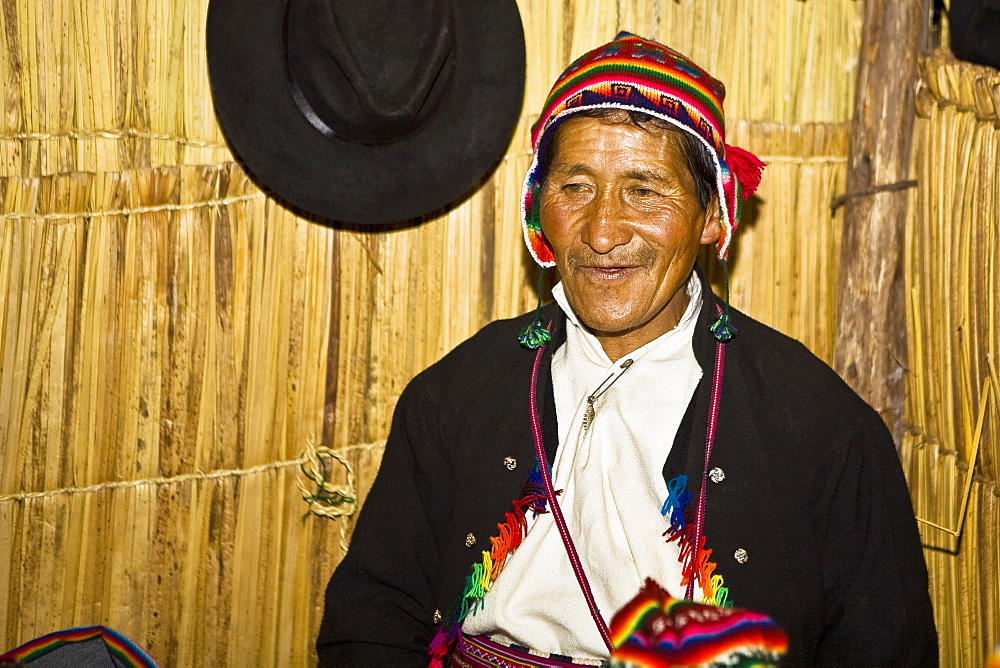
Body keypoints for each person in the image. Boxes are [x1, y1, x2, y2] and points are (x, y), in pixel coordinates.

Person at [317, 32, 937, 667]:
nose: (603, 230)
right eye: (576, 187)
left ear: (714, 215)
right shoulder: (455, 396)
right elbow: (372, 621)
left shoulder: (821, 430)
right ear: (539, 209)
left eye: (644, 190)